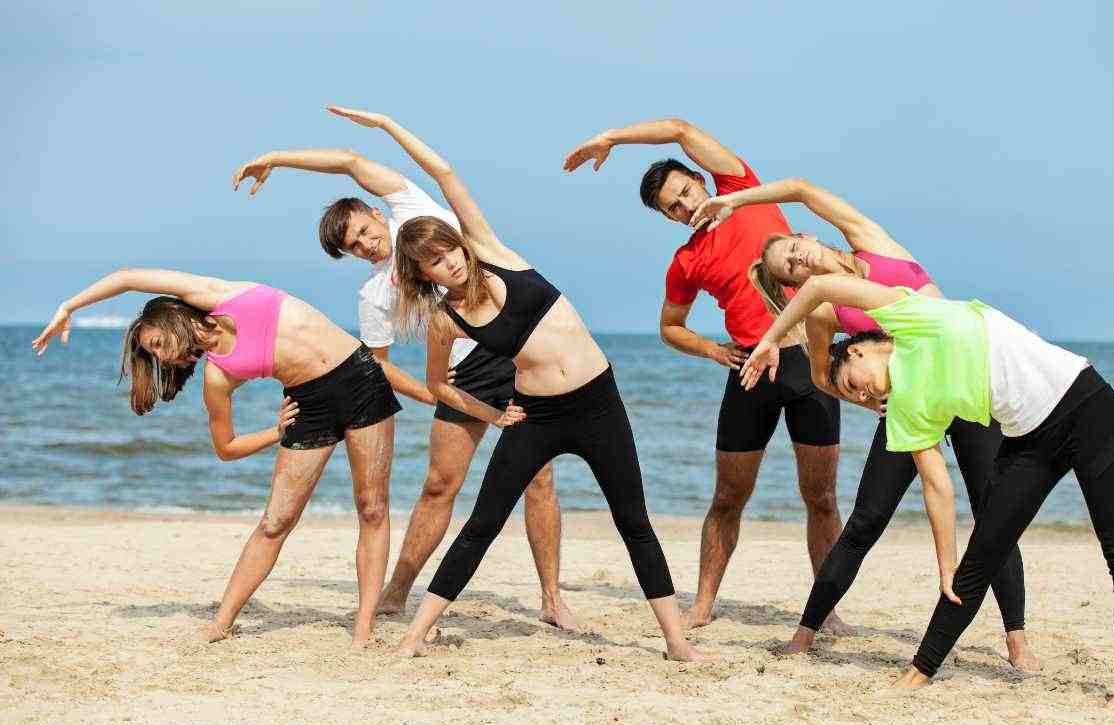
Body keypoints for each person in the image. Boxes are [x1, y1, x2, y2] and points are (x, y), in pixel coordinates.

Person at [326, 104, 714, 661]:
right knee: (483, 520)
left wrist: (387, 127)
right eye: (433, 263)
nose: (448, 264)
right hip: (537, 415)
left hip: (600, 403)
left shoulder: (494, 253)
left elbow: (445, 175)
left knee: (634, 520)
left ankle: (676, 642)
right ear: (424, 275)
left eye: (448, 251)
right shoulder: (444, 317)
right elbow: (441, 385)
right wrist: (491, 415)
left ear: (462, 244)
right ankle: (413, 636)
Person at [741, 275, 1114, 708]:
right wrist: (945, 564)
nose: (859, 393)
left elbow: (820, 286)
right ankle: (921, 669)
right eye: (851, 395)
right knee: (979, 559)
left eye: (850, 382)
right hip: (1029, 441)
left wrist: (770, 339)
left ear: (858, 349)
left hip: (1089, 409)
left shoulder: (912, 318)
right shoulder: (903, 410)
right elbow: (937, 485)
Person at [689, 179, 1039, 670]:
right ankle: (806, 633)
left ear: (808, 237)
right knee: (867, 519)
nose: (799, 260)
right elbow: (818, 376)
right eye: (789, 268)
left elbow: (802, 189)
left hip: (963, 391)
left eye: (794, 249)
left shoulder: (873, 243)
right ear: (793, 289)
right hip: (909, 404)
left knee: (992, 512)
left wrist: (736, 199)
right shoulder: (828, 312)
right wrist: (866, 402)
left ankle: (1017, 640)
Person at [231, 142, 576, 628]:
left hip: (518, 348)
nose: (368, 244)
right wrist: (430, 391)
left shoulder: (412, 209)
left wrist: (276, 159)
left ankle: (552, 599)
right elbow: (379, 363)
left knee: (539, 479)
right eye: (355, 246)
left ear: (376, 212)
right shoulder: (374, 294)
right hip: (464, 373)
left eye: (366, 231)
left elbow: (350, 162)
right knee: (439, 486)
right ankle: (396, 590)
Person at [32, 268, 428, 647]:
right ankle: (221, 624)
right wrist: (275, 433)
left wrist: (69, 306)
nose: (161, 358)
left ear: (168, 317)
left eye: (154, 344)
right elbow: (226, 448)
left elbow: (127, 277)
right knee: (275, 522)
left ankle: (363, 629)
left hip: (360, 378)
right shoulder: (217, 375)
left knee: (372, 508)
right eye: (153, 357)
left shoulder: (218, 296)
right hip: (308, 406)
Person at [563, 119, 844, 631]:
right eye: (673, 206)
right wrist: (713, 351)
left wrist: (612, 140)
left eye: (686, 191)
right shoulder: (687, 260)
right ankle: (703, 603)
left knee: (820, 496)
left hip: (808, 357)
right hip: (749, 369)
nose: (686, 205)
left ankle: (827, 610)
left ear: (701, 178)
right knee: (727, 497)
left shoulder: (742, 190)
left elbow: (677, 128)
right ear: (666, 218)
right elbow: (670, 327)